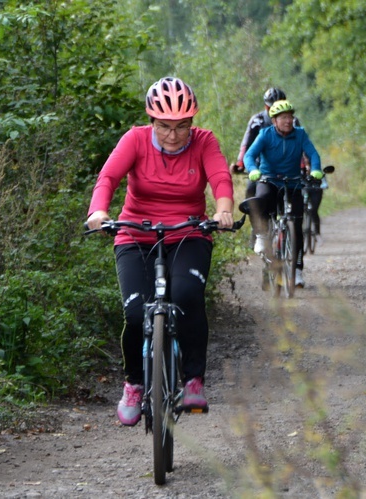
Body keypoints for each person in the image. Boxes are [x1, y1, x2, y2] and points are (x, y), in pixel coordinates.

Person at [85, 77, 234, 427]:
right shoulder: (135, 139)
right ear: (152, 121)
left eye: (182, 127)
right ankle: (135, 384)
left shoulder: (204, 142)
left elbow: (220, 178)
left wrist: (223, 209)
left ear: (192, 123)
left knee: (186, 296)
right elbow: (107, 178)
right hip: (135, 233)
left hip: (188, 233)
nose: (173, 135)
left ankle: (193, 380)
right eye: (165, 127)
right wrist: (98, 212)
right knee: (136, 312)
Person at [244, 99, 322, 288]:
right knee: (261, 200)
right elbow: (249, 155)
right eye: (284, 117)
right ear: (274, 120)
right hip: (269, 179)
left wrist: (316, 170)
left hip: (293, 182)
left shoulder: (300, 135)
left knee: (296, 223)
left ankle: (297, 270)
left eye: (290, 117)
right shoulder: (265, 134)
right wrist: (253, 169)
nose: (288, 121)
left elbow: (313, 154)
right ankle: (262, 236)